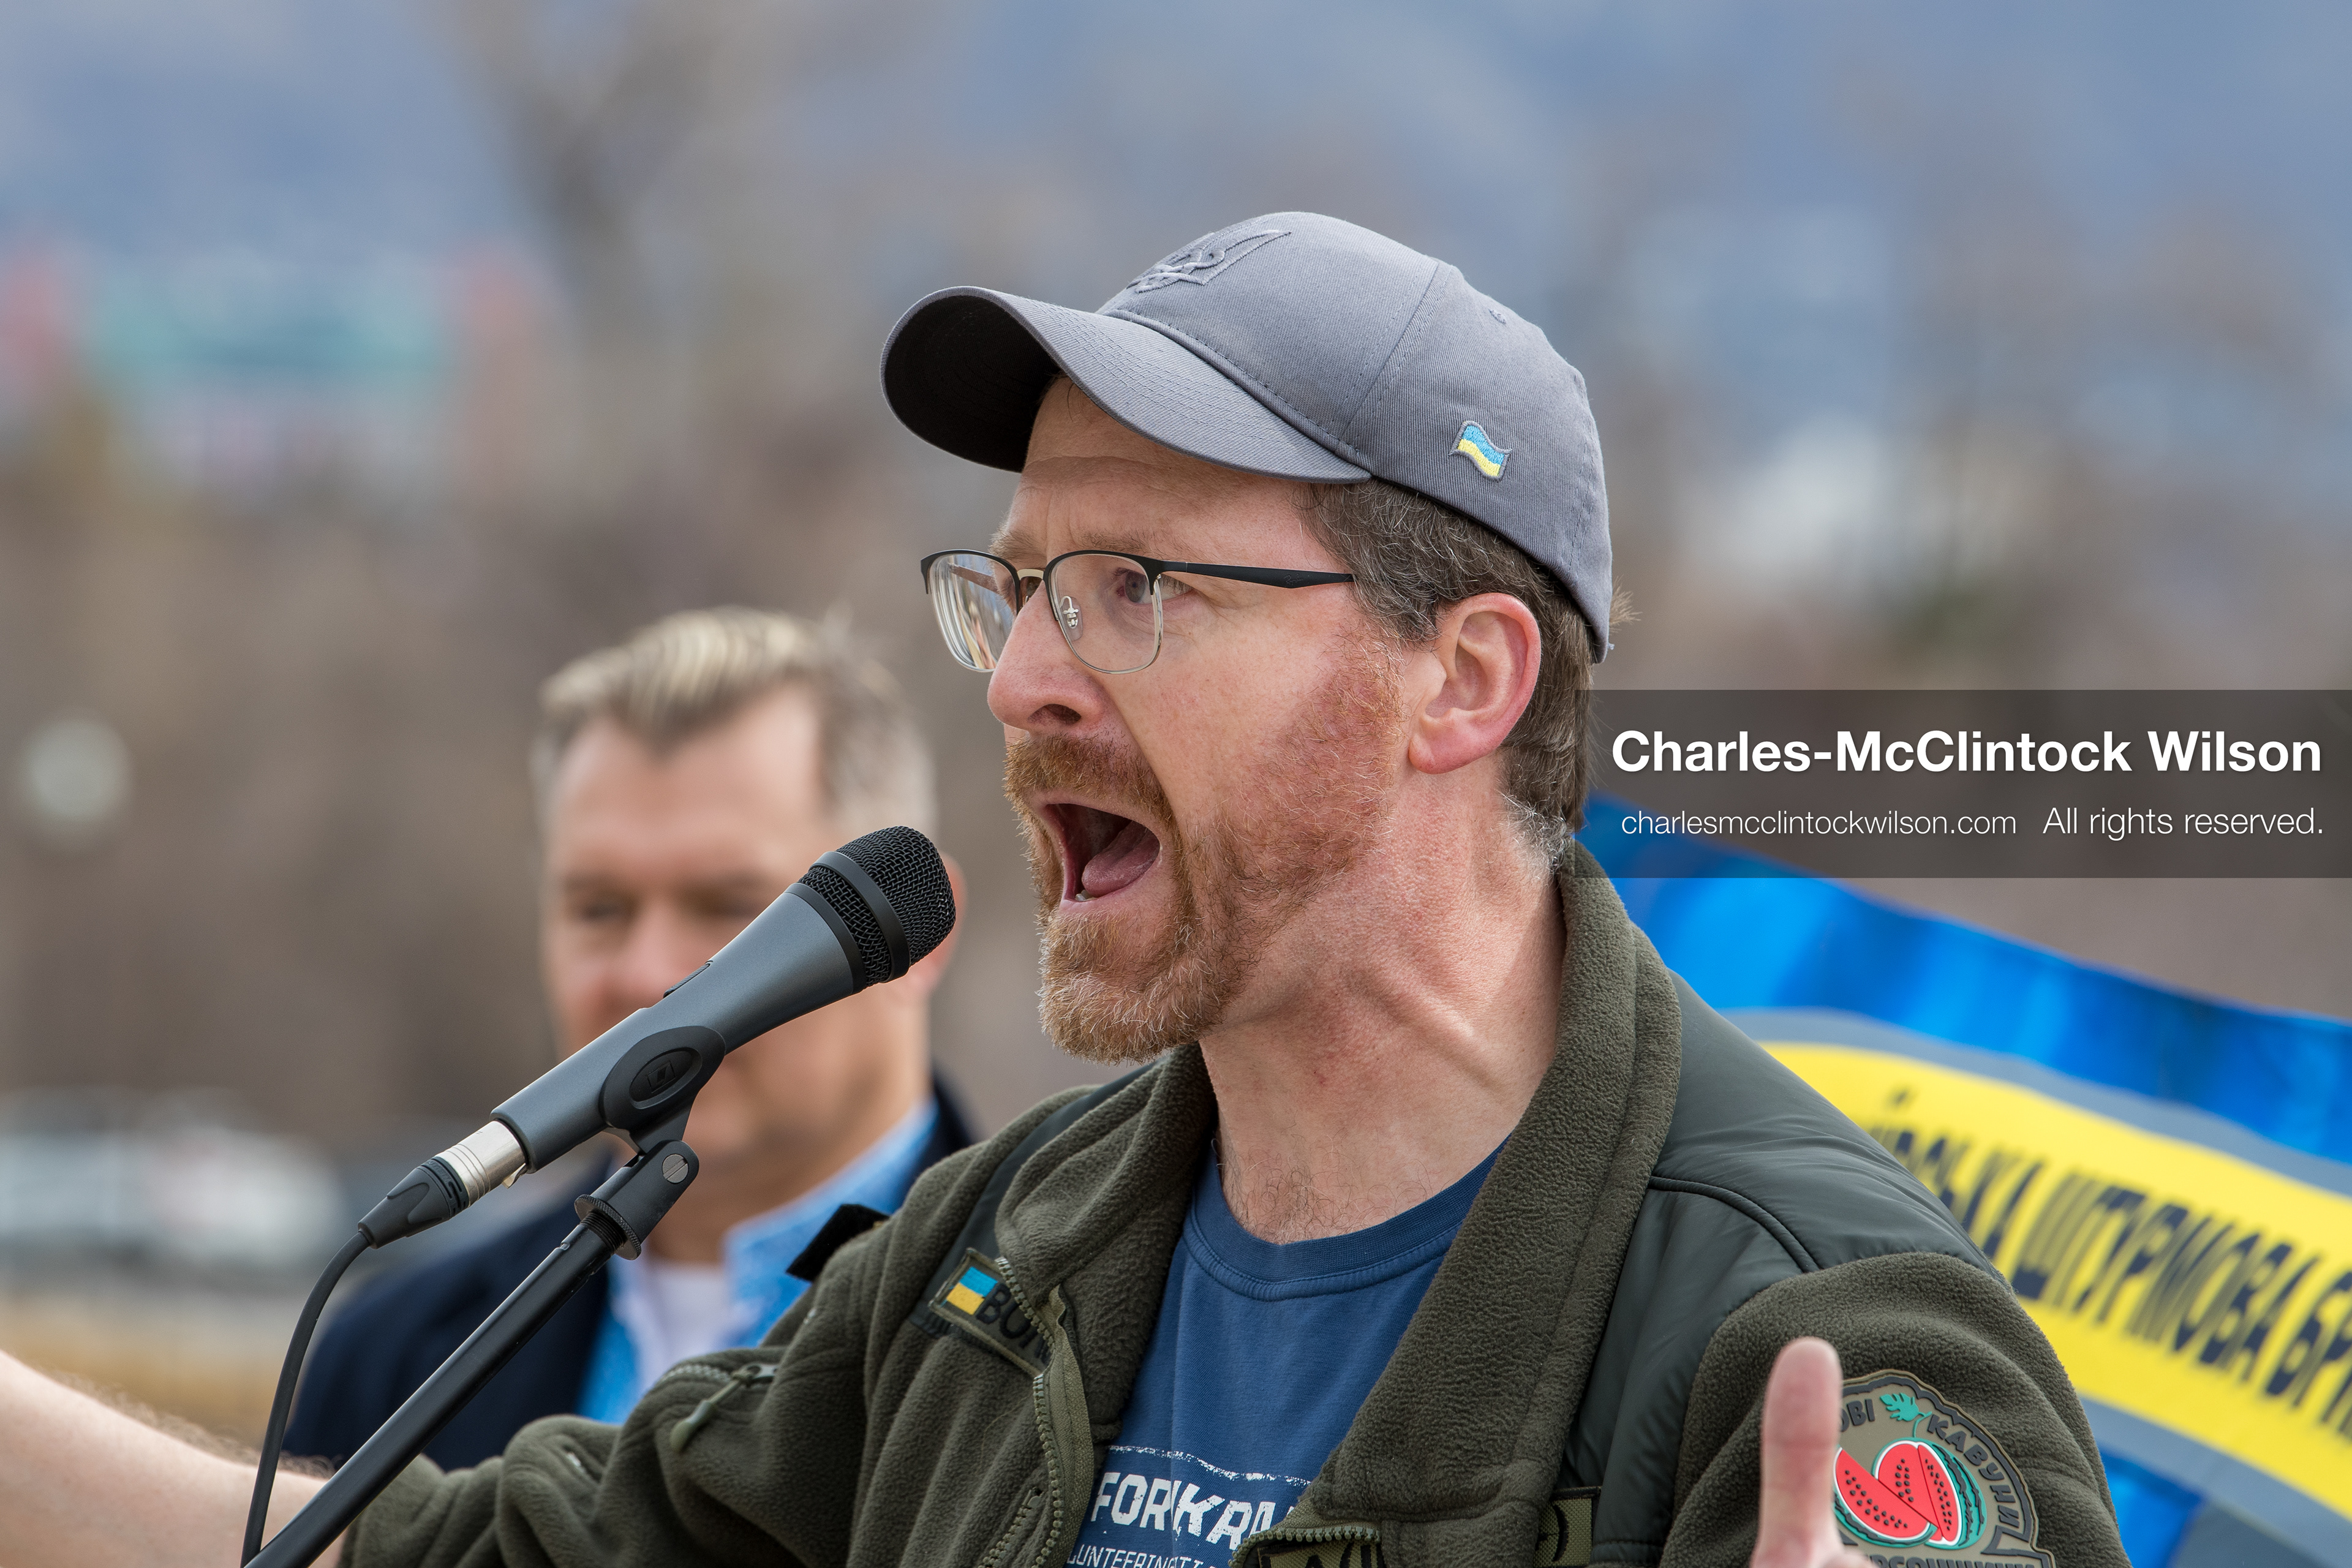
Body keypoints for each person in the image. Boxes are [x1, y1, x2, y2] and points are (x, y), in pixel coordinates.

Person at [0, 215, 2128, 1568]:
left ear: (1459, 678)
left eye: (1137, 591)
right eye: (1012, 592)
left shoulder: (1809, 1336)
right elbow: (453, 1561)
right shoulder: (1001, 1249)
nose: (1019, 683)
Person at [283, 607, 975, 1469]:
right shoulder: (392, 1361)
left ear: (914, 934)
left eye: (733, 910)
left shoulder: (1068, 1314)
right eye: (599, 910)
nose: (650, 975)